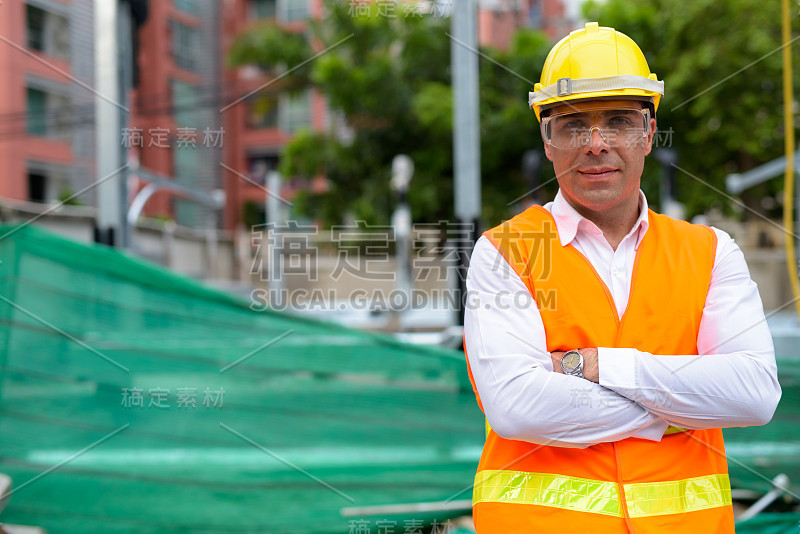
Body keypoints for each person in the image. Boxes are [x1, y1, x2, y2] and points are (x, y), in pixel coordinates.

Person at [463, 22, 781, 533]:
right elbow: (518, 408)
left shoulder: (711, 251)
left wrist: (601, 366)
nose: (596, 144)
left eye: (618, 121)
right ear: (547, 140)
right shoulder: (506, 252)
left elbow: (755, 395)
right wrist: (685, 405)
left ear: (649, 134)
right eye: (572, 125)